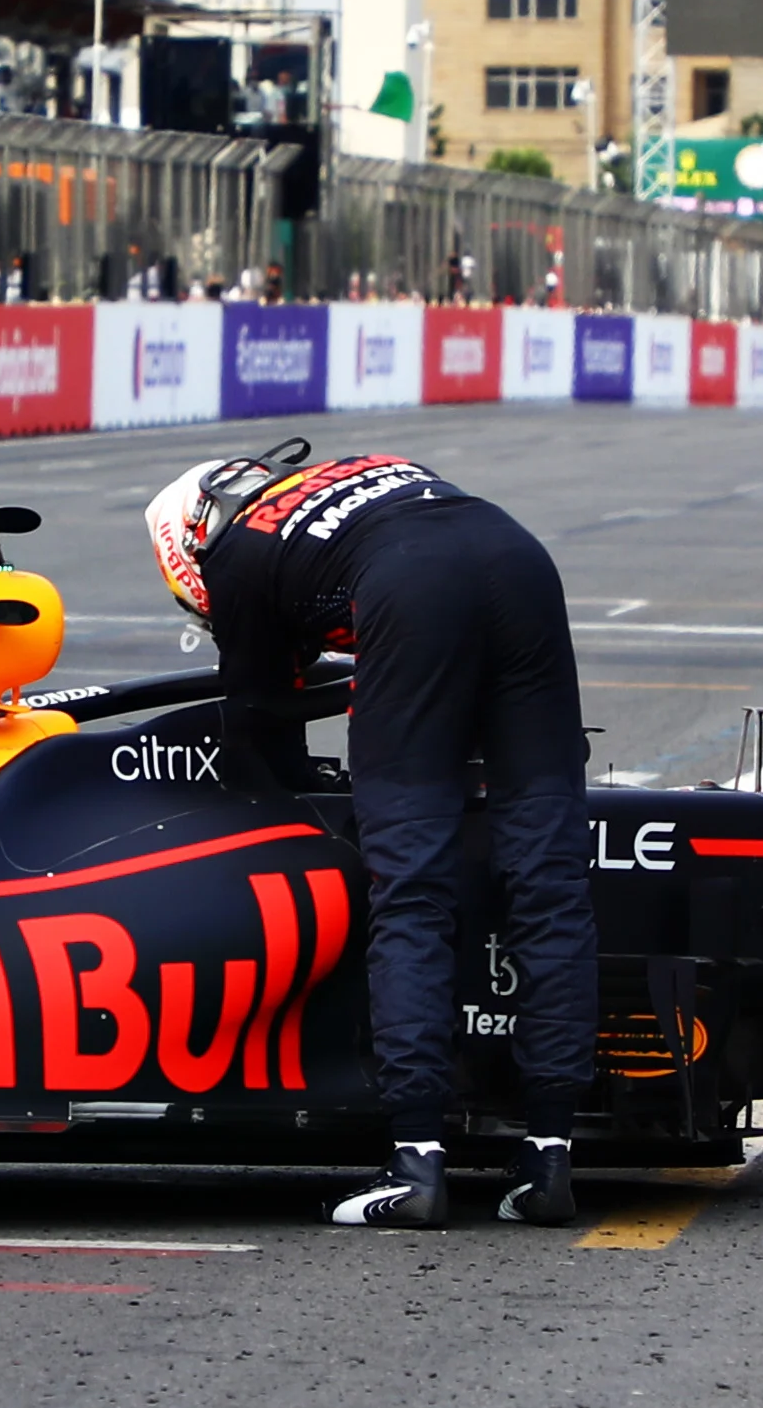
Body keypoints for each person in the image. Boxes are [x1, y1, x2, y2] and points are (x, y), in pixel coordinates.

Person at [144, 446, 598, 1229]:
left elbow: (258, 720)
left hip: (412, 590)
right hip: (518, 559)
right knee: (551, 883)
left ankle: (417, 1163)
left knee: (412, 889)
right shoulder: (358, 469)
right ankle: (549, 1155)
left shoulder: (236, 554)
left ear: (189, 546)